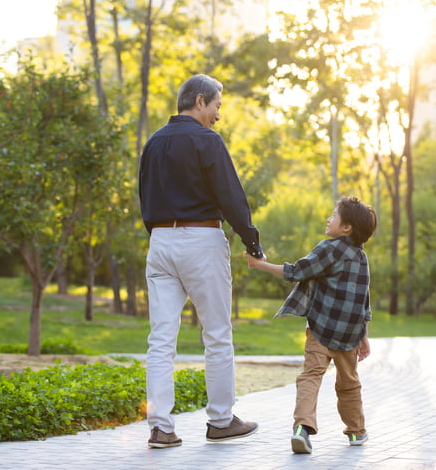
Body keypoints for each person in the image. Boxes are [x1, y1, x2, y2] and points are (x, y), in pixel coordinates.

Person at [138, 74, 265, 449]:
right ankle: (221, 420)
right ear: (199, 101)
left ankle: (161, 428)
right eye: (216, 107)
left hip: (160, 241)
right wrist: (251, 241)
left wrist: (161, 233)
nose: (217, 116)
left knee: (160, 340)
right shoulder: (207, 141)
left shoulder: (153, 142)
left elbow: (144, 194)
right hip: (201, 239)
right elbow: (230, 194)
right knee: (217, 334)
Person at [246, 195, 377, 454]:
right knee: (349, 382)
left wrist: (261, 265)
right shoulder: (361, 258)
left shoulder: (328, 248)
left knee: (310, 376)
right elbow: (364, 300)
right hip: (349, 334)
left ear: (346, 227)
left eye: (334, 215)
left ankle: (302, 429)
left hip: (321, 329)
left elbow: (297, 271)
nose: (329, 218)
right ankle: (357, 431)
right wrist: (364, 335)